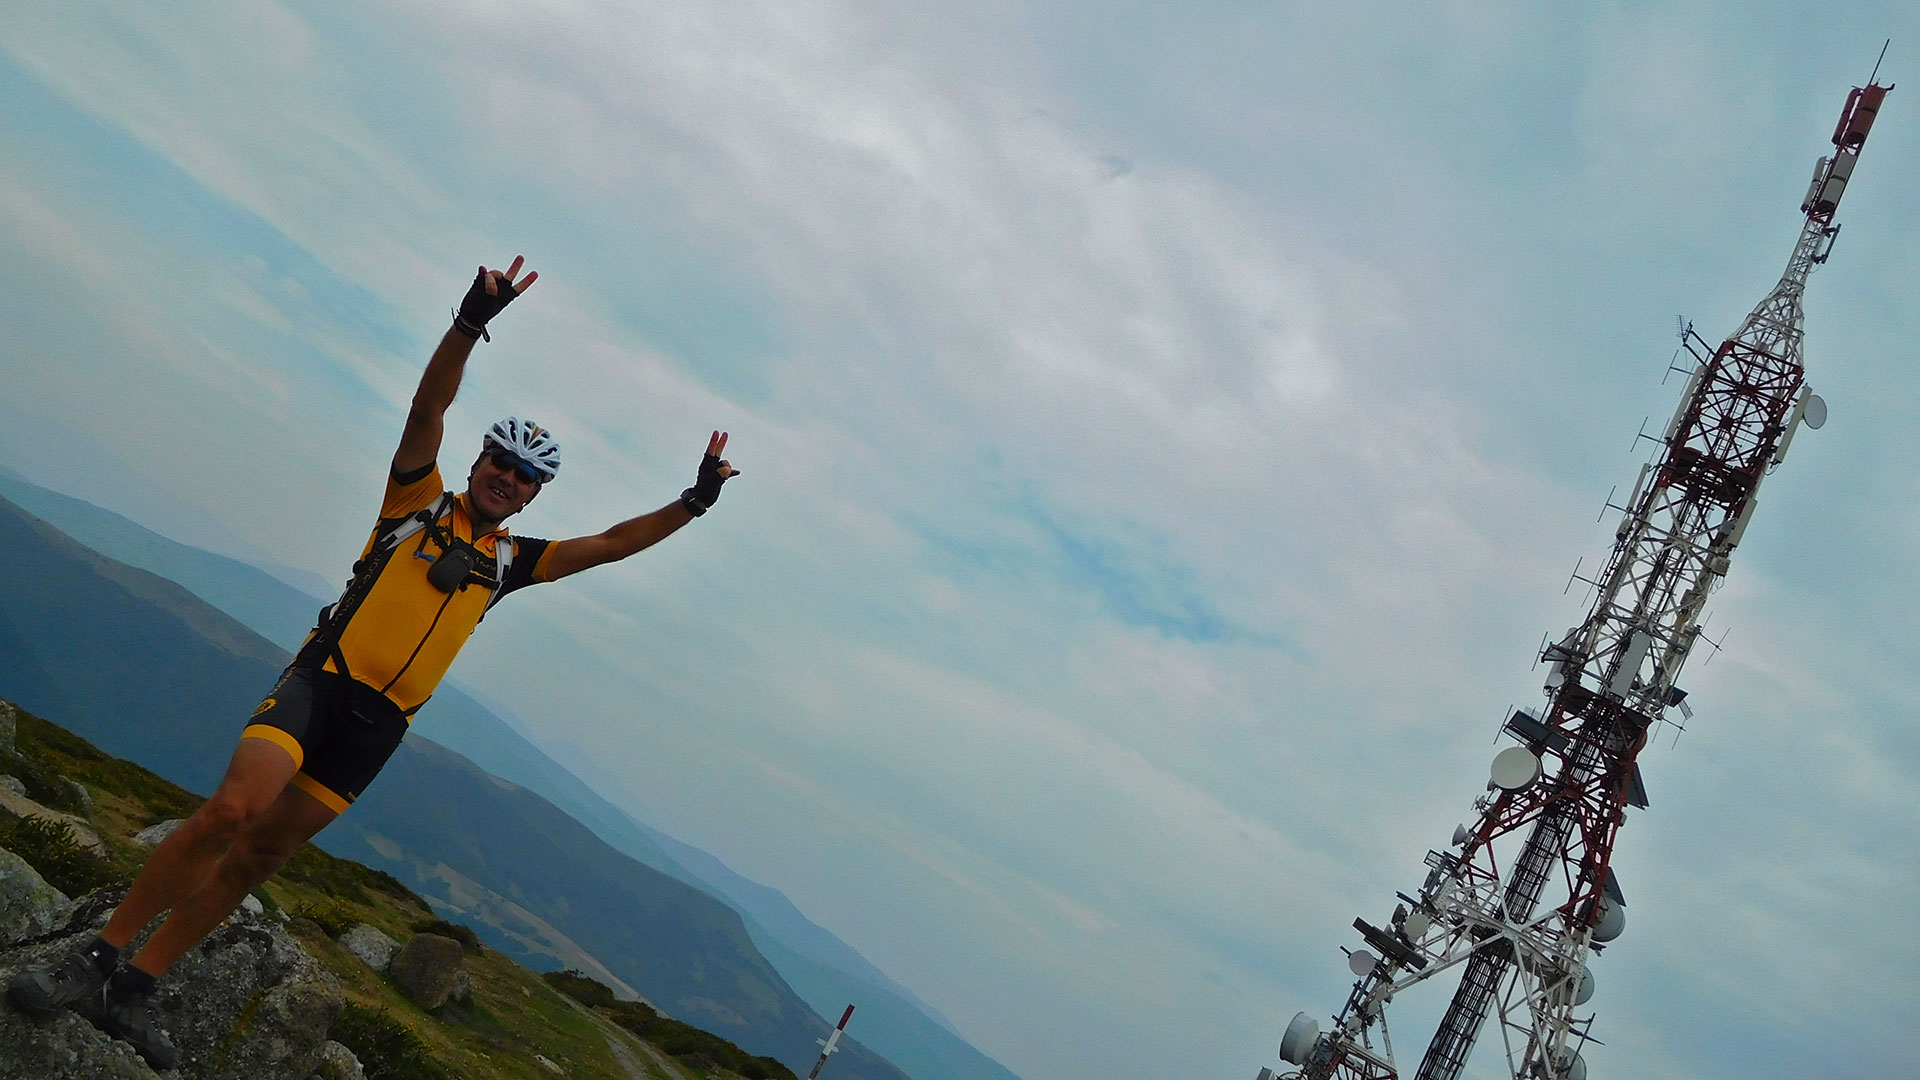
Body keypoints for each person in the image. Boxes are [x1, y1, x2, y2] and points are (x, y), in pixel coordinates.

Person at [7, 257, 737, 1067]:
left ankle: (137, 984)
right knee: (230, 814)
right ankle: (96, 955)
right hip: (320, 685)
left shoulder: (512, 563)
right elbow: (431, 406)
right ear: (478, 463)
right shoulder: (413, 502)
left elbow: (611, 545)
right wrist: (469, 322)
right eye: (502, 459)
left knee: (261, 856)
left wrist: (694, 501)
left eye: (528, 475)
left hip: (378, 730)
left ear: (534, 496)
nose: (510, 477)